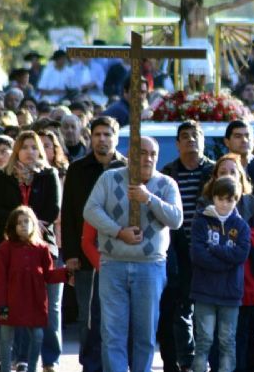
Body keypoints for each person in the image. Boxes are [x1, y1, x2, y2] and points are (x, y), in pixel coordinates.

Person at [84, 136, 183, 372]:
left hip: (150, 266)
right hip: (113, 264)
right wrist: (118, 232)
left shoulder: (166, 184)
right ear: (130, 154)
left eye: (153, 154)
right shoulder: (109, 178)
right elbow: (91, 210)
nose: (148, 158)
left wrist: (148, 198)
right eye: (142, 152)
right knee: (113, 333)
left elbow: (176, 219)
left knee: (145, 334)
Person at [0, 130, 64, 371]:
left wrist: (32, 225)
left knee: (49, 306)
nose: (30, 151)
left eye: (35, 147)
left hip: (42, 244)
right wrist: (19, 221)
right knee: (17, 304)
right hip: (12, 246)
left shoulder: (48, 174)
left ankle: (50, 359)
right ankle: (20, 358)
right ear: (17, 151)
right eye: (25, 147)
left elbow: (53, 208)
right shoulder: (5, 176)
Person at [196, 154, 254, 372]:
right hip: (214, 283)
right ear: (214, 178)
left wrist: (243, 240)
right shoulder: (206, 204)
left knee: (251, 338)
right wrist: (231, 249)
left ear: (241, 177)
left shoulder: (251, 202)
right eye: (223, 172)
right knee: (217, 341)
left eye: (233, 172)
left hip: (250, 283)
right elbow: (200, 246)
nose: (228, 176)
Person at [61, 116, 126, 372]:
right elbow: (69, 214)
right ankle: (90, 365)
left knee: (115, 315)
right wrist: (71, 254)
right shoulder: (78, 169)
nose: (102, 139)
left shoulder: (127, 167)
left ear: (116, 137)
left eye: (107, 134)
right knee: (88, 317)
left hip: (120, 253)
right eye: (97, 134)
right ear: (90, 137)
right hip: (86, 255)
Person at [160, 120, 214, 372]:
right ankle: (179, 363)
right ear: (177, 143)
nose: (191, 139)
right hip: (175, 253)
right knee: (175, 310)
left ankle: (205, 362)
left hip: (209, 252)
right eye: (185, 136)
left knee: (208, 312)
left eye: (196, 135)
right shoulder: (168, 173)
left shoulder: (215, 172)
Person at [0, 206, 69, 372]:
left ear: (34, 224)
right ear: (12, 226)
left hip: (34, 304)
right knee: (6, 340)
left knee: (37, 336)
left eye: (26, 221)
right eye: (18, 222)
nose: (23, 225)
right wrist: (1, 308)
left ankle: (32, 368)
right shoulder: (4, 249)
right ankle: (5, 369)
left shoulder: (42, 249)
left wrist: (67, 274)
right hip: (9, 304)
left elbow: (49, 275)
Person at [190, 177, 251, 372]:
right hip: (204, 291)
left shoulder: (241, 226)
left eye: (229, 199)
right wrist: (227, 261)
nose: (224, 203)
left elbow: (241, 255)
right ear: (213, 197)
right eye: (220, 198)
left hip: (230, 294)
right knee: (204, 340)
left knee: (227, 341)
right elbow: (197, 255)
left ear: (237, 199)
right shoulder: (201, 220)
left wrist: (215, 249)